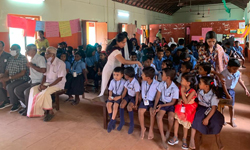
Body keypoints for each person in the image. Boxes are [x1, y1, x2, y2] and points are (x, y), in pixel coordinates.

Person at [27, 46, 66, 121]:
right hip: (48, 83)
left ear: (53, 55)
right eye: (45, 53)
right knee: (33, 89)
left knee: (45, 92)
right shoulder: (48, 63)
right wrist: (42, 84)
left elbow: (60, 78)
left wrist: (48, 86)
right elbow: (45, 75)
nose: (45, 55)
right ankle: (36, 110)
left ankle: (50, 112)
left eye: (47, 53)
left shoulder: (60, 63)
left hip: (58, 84)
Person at [190, 76, 224, 150]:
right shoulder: (199, 91)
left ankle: (217, 139)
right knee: (197, 121)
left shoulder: (214, 95)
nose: (198, 84)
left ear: (206, 86)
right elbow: (198, 101)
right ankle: (196, 145)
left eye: (200, 83)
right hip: (201, 109)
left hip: (211, 110)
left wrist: (207, 119)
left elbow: (213, 108)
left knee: (216, 123)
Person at [14, 44, 46, 116]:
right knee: (17, 90)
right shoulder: (31, 58)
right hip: (31, 80)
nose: (27, 51)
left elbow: (44, 70)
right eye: (26, 50)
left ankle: (29, 108)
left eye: (28, 49)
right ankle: (28, 106)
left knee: (27, 92)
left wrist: (32, 66)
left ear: (34, 50)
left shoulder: (40, 58)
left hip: (38, 81)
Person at [168, 73, 197, 149]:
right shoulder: (182, 87)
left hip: (189, 109)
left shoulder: (193, 91)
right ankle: (175, 136)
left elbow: (187, 101)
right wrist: (180, 99)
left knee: (185, 124)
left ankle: (184, 139)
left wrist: (182, 91)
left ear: (188, 83)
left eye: (182, 80)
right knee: (176, 120)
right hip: (181, 106)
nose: (180, 81)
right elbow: (180, 98)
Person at [219, 58, 250, 127]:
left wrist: (245, 89)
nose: (236, 70)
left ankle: (231, 120)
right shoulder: (224, 73)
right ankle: (222, 119)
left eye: (237, 69)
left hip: (231, 90)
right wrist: (227, 94)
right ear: (228, 67)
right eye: (234, 69)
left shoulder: (237, 73)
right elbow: (223, 85)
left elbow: (239, 80)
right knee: (223, 106)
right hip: (223, 90)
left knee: (231, 106)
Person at [0, 44, 30, 111]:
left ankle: (15, 104)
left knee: (10, 86)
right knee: (2, 82)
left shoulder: (23, 58)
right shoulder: (10, 58)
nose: (11, 51)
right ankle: (6, 100)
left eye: (13, 49)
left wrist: (9, 78)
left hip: (22, 79)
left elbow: (23, 73)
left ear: (18, 50)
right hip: (11, 78)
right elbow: (7, 71)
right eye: (11, 49)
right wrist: (4, 77)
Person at [154, 69, 179, 149]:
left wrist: (161, 106)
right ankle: (162, 137)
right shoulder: (162, 84)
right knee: (158, 116)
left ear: (168, 77)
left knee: (171, 118)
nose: (161, 76)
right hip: (162, 103)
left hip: (170, 105)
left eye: (163, 75)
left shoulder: (175, 88)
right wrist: (155, 106)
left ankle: (168, 130)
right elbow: (158, 96)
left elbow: (173, 102)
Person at [138, 67, 159, 139]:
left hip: (152, 101)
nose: (141, 75)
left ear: (148, 78)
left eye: (143, 75)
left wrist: (155, 106)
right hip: (145, 100)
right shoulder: (143, 82)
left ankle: (151, 129)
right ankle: (142, 128)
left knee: (152, 112)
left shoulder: (157, 84)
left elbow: (157, 96)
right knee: (140, 111)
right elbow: (141, 92)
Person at [117, 67, 140, 134]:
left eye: (124, 74)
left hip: (133, 97)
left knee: (129, 107)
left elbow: (137, 94)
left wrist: (136, 104)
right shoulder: (127, 82)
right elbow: (125, 91)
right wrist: (121, 99)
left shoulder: (136, 83)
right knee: (121, 105)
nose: (124, 75)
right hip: (128, 96)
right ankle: (122, 121)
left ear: (127, 75)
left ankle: (131, 124)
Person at [106, 67, 126, 133]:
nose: (115, 76)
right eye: (114, 74)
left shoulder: (124, 82)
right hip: (113, 95)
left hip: (120, 96)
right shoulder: (112, 81)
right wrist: (110, 96)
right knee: (108, 104)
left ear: (122, 75)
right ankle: (113, 119)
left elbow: (124, 93)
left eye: (117, 75)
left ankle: (111, 122)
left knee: (115, 106)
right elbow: (110, 90)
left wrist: (119, 97)